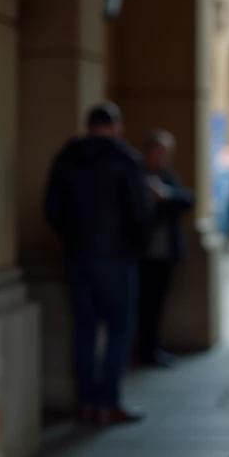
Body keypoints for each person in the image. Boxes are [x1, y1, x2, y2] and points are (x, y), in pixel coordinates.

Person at [44, 103, 152, 426]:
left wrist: (72, 238)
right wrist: (135, 247)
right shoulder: (125, 159)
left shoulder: (66, 158)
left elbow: (52, 208)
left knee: (85, 328)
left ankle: (88, 402)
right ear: (115, 126)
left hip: (77, 255)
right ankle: (108, 401)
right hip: (116, 258)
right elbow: (141, 213)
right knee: (119, 328)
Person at [137, 130, 194, 368]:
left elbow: (188, 199)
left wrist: (166, 196)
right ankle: (143, 349)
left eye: (166, 153)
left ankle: (153, 349)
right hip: (142, 252)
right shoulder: (137, 175)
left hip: (165, 253)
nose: (162, 157)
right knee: (142, 305)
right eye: (159, 152)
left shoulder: (168, 176)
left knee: (157, 304)